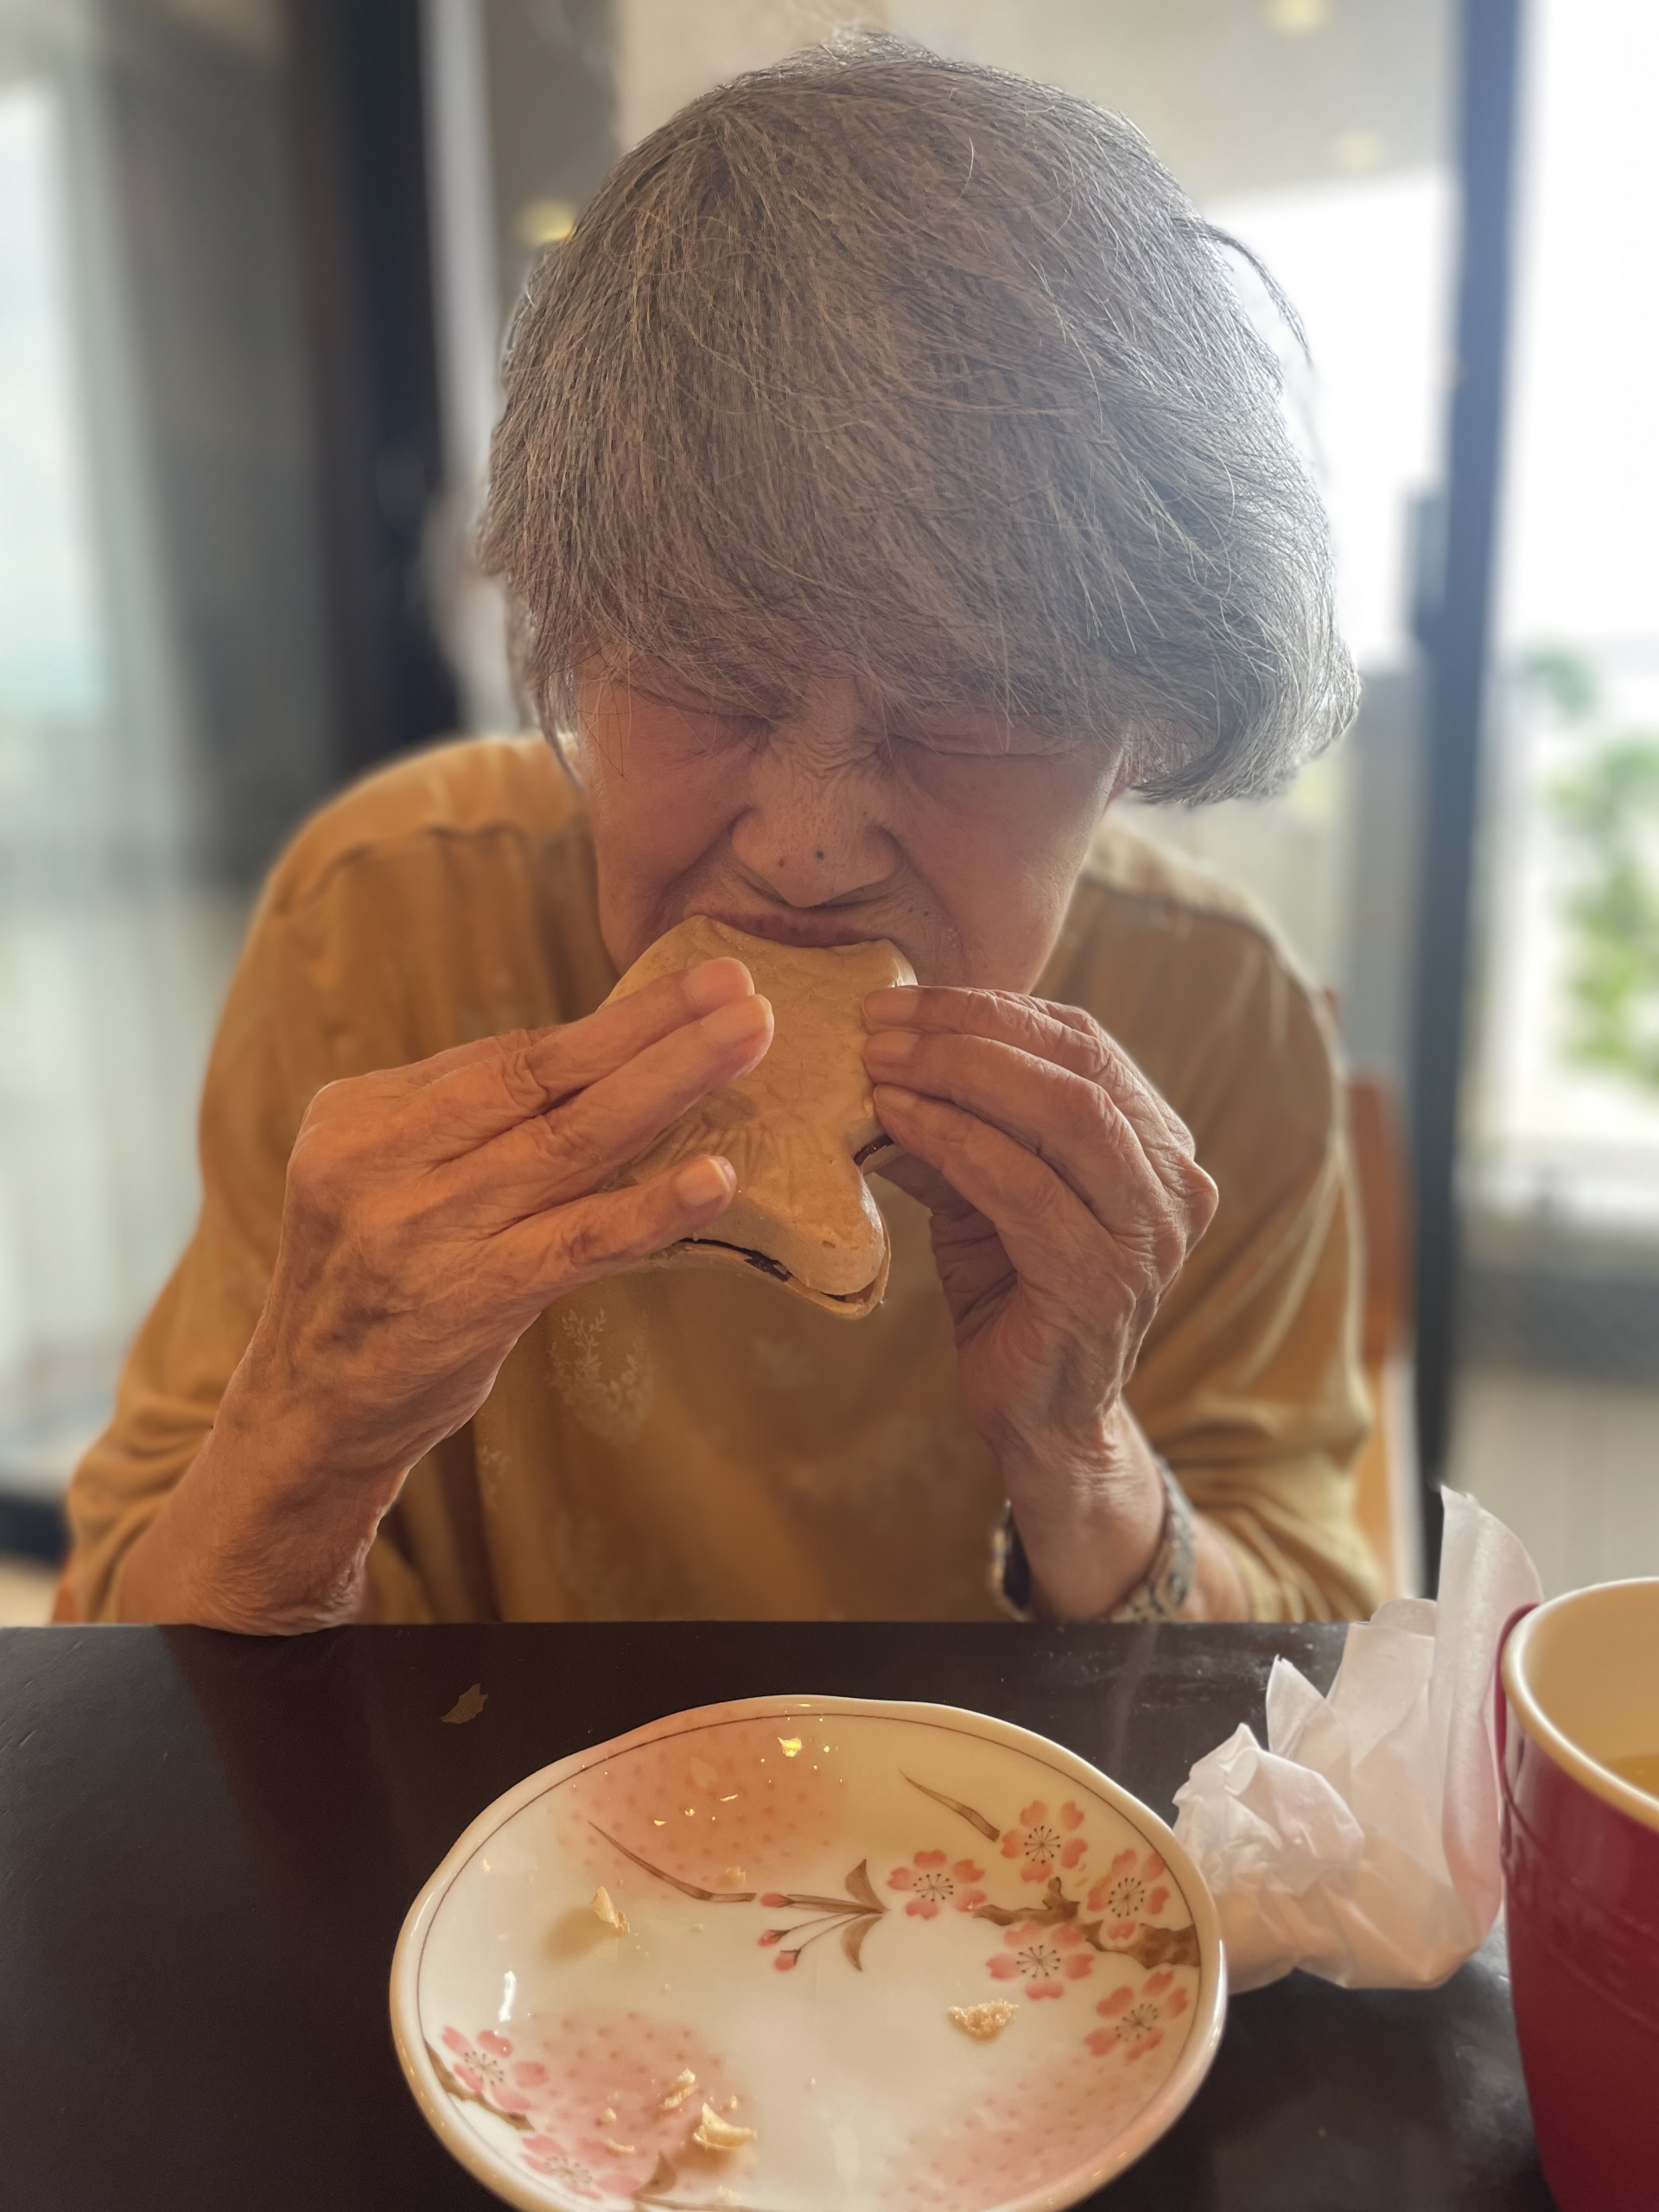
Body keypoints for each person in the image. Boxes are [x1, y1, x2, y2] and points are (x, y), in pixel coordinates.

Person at [61, 35, 1382, 1633]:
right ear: (566, 639)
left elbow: (1318, 1676)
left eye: (965, 702)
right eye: (710, 671)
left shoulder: (1219, 1014)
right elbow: (115, 1678)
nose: (808, 847)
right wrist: (313, 1427)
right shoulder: (390, 919)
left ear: (1142, 735)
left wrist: (1084, 1460)